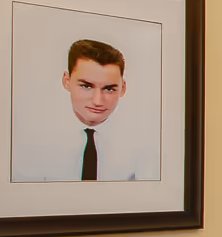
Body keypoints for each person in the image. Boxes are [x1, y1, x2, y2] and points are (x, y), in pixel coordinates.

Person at [10, 39, 159, 182]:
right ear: (66, 81)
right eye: (86, 86)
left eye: (109, 89)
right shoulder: (33, 139)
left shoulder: (144, 143)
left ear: (123, 88)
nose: (97, 101)